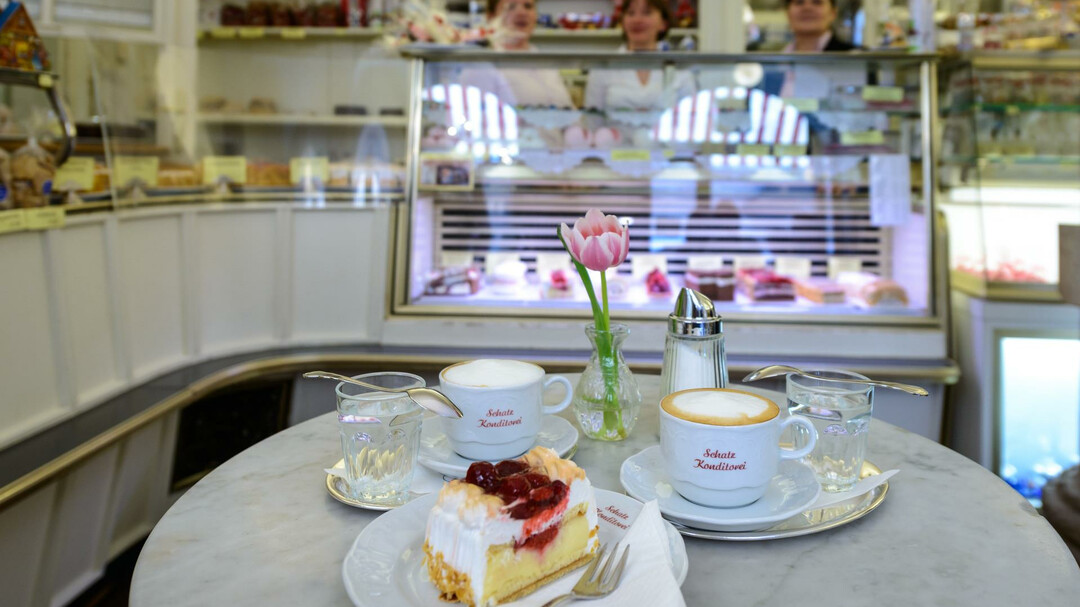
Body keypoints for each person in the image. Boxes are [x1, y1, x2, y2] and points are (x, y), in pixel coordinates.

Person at [583, 0, 696, 111]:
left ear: (663, 23)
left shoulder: (679, 68)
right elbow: (593, 120)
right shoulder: (603, 66)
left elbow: (689, 118)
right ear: (622, 21)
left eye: (647, 12)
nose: (637, 20)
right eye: (631, 13)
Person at [476, 0, 574, 108]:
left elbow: (566, 109)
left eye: (528, 6)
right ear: (491, 17)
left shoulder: (540, 57)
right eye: (511, 6)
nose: (522, 13)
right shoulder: (482, 62)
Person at [783, 0, 856, 52]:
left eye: (817, 2)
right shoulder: (777, 62)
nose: (807, 8)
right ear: (787, 13)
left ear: (833, 13)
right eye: (799, 2)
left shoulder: (857, 59)